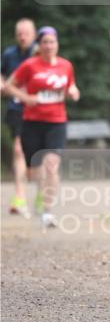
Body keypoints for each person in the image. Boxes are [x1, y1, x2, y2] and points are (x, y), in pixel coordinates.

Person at [4, 26, 79, 228]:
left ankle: (47, 211)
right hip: (32, 122)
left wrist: (73, 91)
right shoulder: (29, 65)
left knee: (52, 165)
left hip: (56, 121)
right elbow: (8, 86)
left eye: (52, 42)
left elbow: (71, 86)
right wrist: (25, 97)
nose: (48, 46)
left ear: (57, 44)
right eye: (45, 42)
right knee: (33, 171)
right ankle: (39, 192)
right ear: (39, 45)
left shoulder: (66, 65)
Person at [1, 18, 36, 216]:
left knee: (34, 159)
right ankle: (20, 197)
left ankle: (41, 193)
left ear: (33, 34)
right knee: (17, 149)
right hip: (17, 108)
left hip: (40, 110)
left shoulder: (41, 52)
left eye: (26, 33)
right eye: (19, 33)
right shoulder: (9, 54)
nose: (22, 36)